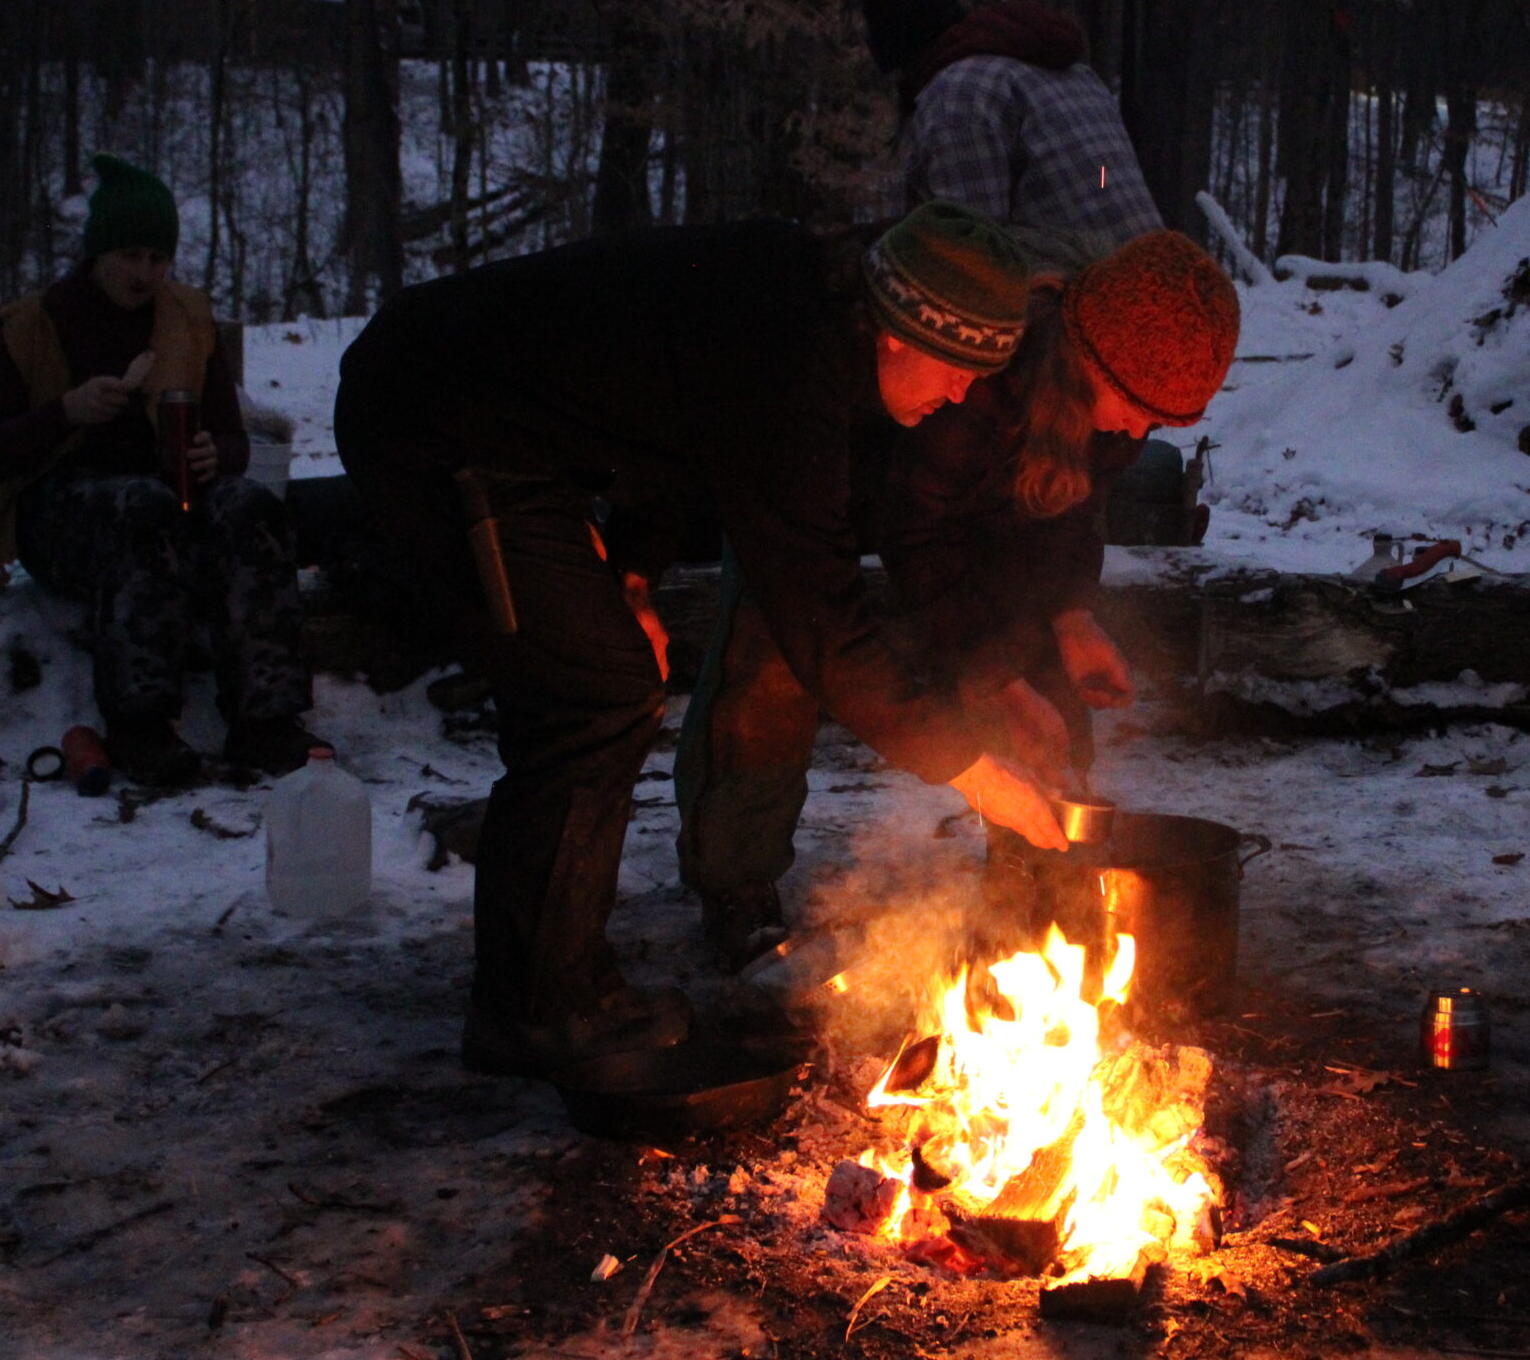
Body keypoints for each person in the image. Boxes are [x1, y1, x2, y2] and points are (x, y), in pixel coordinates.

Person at [332, 202, 1069, 1081]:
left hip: (506, 436)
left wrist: (632, 579)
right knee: (592, 697)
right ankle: (534, 1009)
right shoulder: (788, 361)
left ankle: (557, 985)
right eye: (960, 369)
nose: (963, 395)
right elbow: (823, 619)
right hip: (431, 419)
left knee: (608, 675)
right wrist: (970, 767)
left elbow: (666, 420)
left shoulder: (798, 312)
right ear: (902, 332)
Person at [676, 231, 1240, 970]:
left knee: (1036, 663)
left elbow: (1066, 517)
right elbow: (918, 535)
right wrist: (995, 681)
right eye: (1135, 407)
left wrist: (1071, 618)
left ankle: (1031, 875)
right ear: (1089, 360)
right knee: (780, 650)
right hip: (825, 487)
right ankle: (737, 874)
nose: (1139, 431)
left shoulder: (1112, 409)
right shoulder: (980, 367)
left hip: (953, 521)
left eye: (1157, 421)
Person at [0, 154, 315, 788]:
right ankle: (139, 723)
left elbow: (234, 439)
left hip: (172, 498)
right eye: (130, 256)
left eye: (158, 258)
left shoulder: (187, 319)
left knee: (251, 507)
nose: (145, 273)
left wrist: (216, 454)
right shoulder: (34, 326)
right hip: (63, 515)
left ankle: (267, 717)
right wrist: (64, 412)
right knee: (142, 506)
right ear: (98, 253)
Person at [859, 0, 1164, 269]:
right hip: (1162, 278)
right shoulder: (1076, 74)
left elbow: (974, 257)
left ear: (908, 61)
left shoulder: (959, 93)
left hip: (1095, 292)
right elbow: (1101, 183)